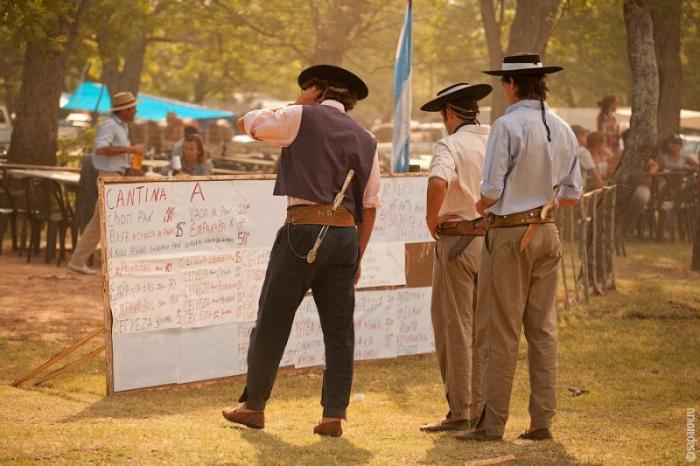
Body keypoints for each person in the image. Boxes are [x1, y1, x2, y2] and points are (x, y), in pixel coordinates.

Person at [221, 64, 381, 438]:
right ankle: (333, 415)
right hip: (344, 235)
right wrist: (358, 253)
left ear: (316, 91)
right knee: (339, 330)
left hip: (304, 229)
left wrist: (296, 104)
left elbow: (248, 123)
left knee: (273, 319)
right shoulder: (367, 137)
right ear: (351, 101)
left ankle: (254, 406)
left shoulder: (299, 115)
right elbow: (370, 204)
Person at [457, 53, 582, 442]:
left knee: (498, 329)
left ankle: (491, 423)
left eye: (503, 83)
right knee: (542, 329)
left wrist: (479, 208)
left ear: (512, 84)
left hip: (511, 233)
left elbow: (491, 192)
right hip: (547, 230)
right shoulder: (564, 128)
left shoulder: (507, 125)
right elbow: (573, 196)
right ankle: (542, 420)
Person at [416, 82, 493, 433]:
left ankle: (461, 408)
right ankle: (484, 406)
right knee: (486, 327)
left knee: (454, 327)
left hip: (458, 242)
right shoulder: (494, 139)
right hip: (492, 242)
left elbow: (437, 182)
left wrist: (432, 218)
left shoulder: (450, 144)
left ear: (449, 114)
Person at [67, 92, 144, 274]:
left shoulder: (122, 127)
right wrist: (130, 149)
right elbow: (101, 150)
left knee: (100, 222)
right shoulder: (110, 125)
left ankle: (78, 260)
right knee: (112, 221)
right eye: (133, 108)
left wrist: (132, 169)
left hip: (115, 175)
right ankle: (116, 262)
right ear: (125, 110)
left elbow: (115, 157)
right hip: (109, 177)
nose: (136, 111)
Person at [571, 125, 603, 191]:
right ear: (580, 136)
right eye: (585, 136)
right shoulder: (582, 152)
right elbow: (595, 175)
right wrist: (604, 189)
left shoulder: (567, 149)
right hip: (575, 192)